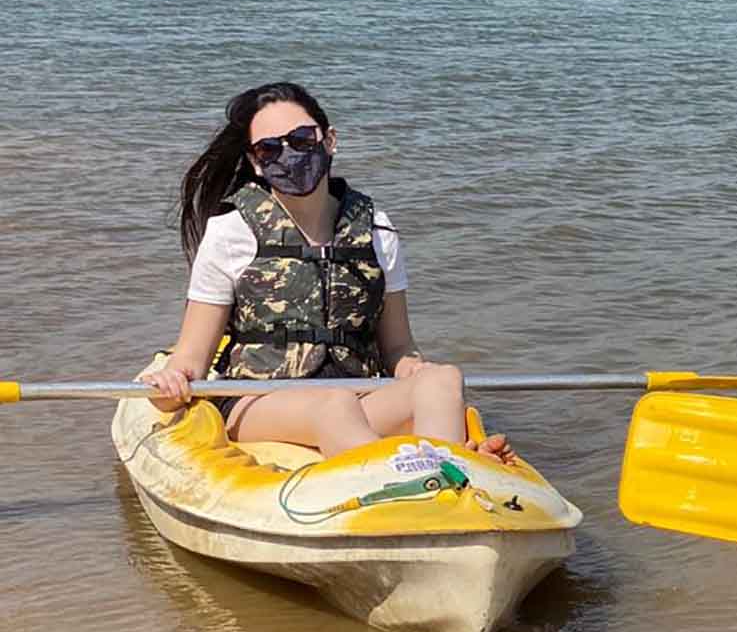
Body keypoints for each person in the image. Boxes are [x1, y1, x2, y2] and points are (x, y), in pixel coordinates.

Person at [139, 82, 512, 462]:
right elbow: (192, 356)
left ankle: (452, 473)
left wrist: (415, 367)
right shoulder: (231, 232)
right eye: (270, 148)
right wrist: (170, 383)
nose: (289, 155)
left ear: (329, 140)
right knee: (333, 405)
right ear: (256, 162)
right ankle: (401, 476)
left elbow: (398, 347)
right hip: (260, 403)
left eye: (301, 139)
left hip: (358, 397)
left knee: (443, 379)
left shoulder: (376, 229)